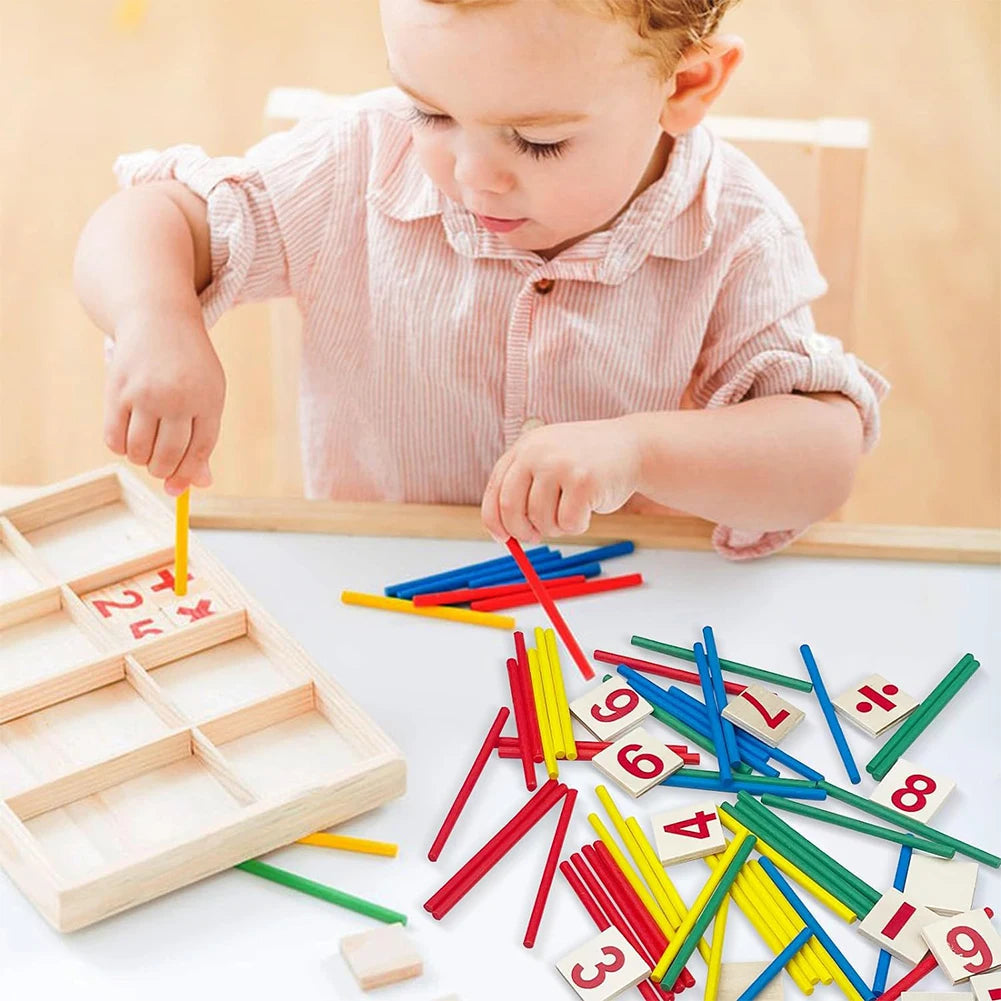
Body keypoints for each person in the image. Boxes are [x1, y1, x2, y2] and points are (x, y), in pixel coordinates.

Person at [74, 0, 888, 559]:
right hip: (381, 587)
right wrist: (155, 316)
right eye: (429, 110)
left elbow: (821, 455)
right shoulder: (356, 156)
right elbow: (150, 218)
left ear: (683, 86)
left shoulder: (736, 224)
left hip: (625, 613)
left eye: (535, 141)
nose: (470, 175)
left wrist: (636, 449)